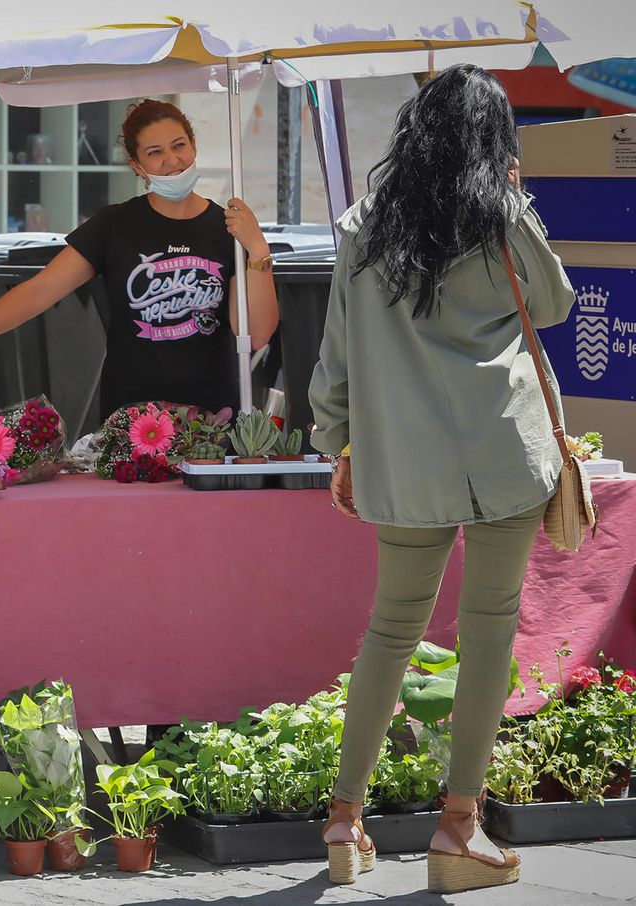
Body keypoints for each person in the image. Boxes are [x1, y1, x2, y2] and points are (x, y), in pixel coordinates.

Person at [309, 64, 575, 894]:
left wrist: (340, 442)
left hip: (405, 456)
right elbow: (556, 303)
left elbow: (337, 355)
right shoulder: (500, 218)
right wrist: (516, 198)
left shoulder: (362, 225)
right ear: (496, 141)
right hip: (502, 453)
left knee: (391, 628)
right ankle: (460, 828)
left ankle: (345, 821)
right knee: (490, 628)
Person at [0, 99, 278, 418]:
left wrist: (258, 250)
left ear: (193, 145)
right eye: (155, 152)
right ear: (137, 164)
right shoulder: (114, 225)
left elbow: (256, 333)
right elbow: (41, 290)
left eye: (179, 145)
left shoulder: (230, 229)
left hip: (213, 418)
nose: (172, 160)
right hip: (133, 420)